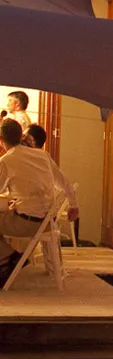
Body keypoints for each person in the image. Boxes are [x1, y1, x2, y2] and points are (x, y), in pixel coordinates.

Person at [0, 118, 78, 288]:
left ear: (1, 139)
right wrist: (74, 205)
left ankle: (10, 256)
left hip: (26, 224)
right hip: (47, 223)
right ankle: (8, 259)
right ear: (21, 135)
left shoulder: (6, 160)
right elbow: (64, 182)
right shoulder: (42, 155)